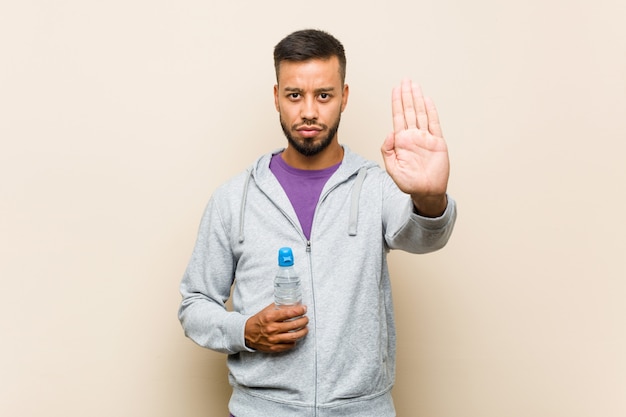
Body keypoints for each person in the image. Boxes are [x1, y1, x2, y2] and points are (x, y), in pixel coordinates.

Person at [178, 29, 457, 417]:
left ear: (344, 97)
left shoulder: (375, 186)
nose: (309, 111)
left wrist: (429, 196)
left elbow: (425, 237)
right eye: (295, 95)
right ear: (277, 98)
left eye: (323, 95)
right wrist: (243, 331)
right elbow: (194, 304)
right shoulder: (234, 197)